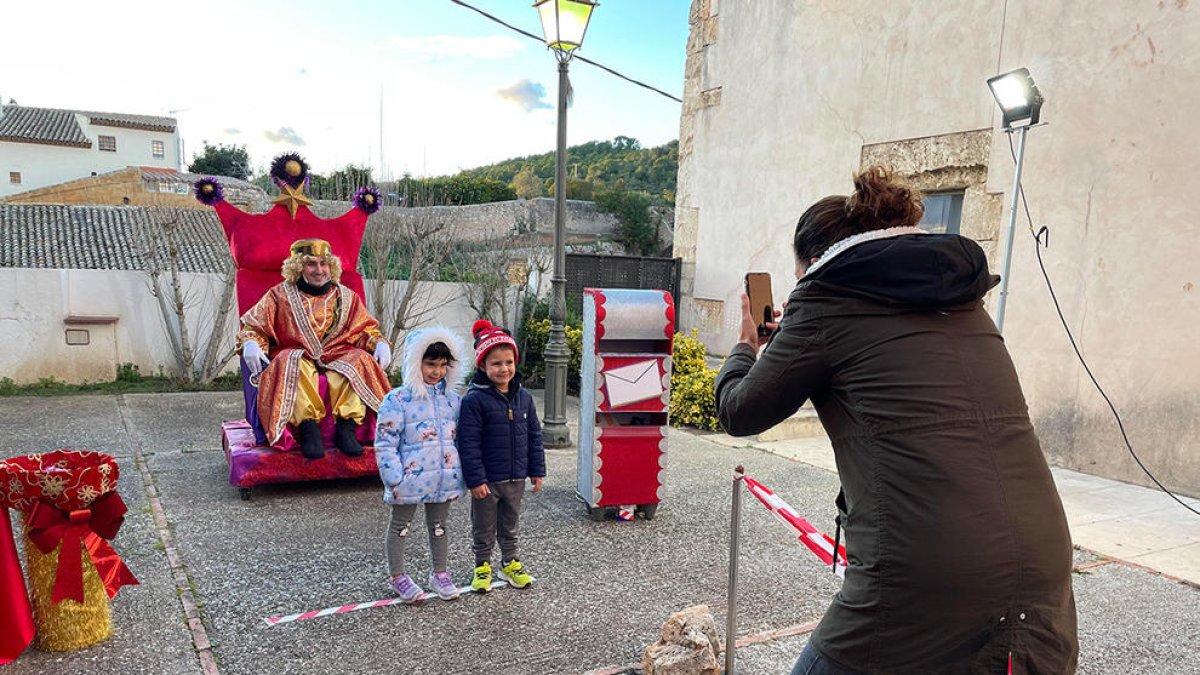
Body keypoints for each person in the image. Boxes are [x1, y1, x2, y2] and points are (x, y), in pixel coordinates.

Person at [715, 167, 1078, 674]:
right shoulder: (963, 300)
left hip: (929, 566)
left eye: (800, 278)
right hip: (1042, 561)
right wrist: (798, 339)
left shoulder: (822, 301)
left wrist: (745, 346)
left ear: (816, 264)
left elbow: (738, 410)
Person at [238, 238, 393, 459]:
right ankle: (309, 430)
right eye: (311, 264)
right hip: (297, 354)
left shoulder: (347, 297)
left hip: (337, 354)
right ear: (298, 267)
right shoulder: (278, 296)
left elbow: (365, 331)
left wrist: (379, 343)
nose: (319, 270)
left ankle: (346, 429)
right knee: (290, 360)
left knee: (359, 359)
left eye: (324, 263)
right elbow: (254, 327)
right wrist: (251, 342)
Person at [374, 327, 467, 602]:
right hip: (408, 479)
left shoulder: (453, 400)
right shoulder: (397, 400)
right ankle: (398, 575)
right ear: (416, 363)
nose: (436, 371)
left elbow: (462, 436)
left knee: (439, 524)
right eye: (430, 364)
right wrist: (394, 476)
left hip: (444, 478)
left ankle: (440, 572)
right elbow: (385, 440)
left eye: (442, 365)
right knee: (400, 525)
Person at [458, 320, 545, 593]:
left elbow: (534, 435)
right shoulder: (474, 400)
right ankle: (482, 565)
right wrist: (475, 479)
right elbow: (468, 442)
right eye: (496, 363)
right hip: (488, 480)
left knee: (510, 525)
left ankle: (509, 563)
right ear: (483, 366)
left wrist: (537, 470)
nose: (504, 369)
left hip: (516, 476)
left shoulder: (525, 398)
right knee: (483, 527)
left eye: (509, 362)